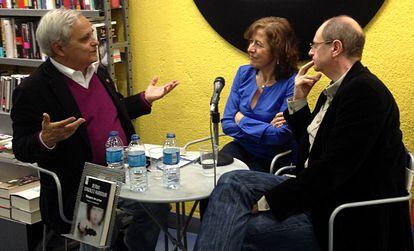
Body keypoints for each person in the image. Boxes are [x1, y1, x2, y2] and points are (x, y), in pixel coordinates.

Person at [195, 15, 413, 251]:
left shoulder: (364, 93)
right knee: (231, 181)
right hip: (317, 193)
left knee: (234, 223)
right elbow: (309, 151)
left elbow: (330, 171)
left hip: (341, 214)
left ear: (335, 48)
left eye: (314, 46)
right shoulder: (337, 90)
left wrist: (269, 202)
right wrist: (299, 100)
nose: (310, 53)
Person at [11, 8, 178, 250]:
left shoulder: (98, 71)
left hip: (125, 171)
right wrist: (44, 138)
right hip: (83, 183)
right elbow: (21, 149)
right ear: (59, 48)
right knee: (101, 233)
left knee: (158, 203)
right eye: (85, 38)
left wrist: (144, 99)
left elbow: (114, 110)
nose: (95, 42)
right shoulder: (33, 89)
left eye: (92, 34)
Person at [220, 17, 298, 172]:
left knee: (235, 181)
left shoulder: (292, 82)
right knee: (213, 173)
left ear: (277, 51)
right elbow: (227, 123)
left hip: (272, 157)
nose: (250, 48)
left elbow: (281, 135)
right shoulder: (244, 73)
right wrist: (265, 129)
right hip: (241, 148)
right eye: (251, 42)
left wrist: (241, 120)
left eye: (258, 44)